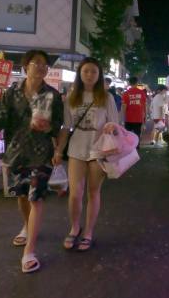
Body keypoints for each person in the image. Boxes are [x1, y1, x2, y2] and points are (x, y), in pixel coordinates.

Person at [0, 50, 64, 273]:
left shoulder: (52, 95)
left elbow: (59, 125)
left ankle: (30, 250)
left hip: (41, 152)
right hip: (16, 151)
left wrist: (57, 148)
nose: (41, 67)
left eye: (45, 64)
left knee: (36, 197)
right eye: (37, 63)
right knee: (22, 194)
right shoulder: (12, 92)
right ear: (26, 67)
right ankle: (27, 226)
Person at [54, 57, 118, 251]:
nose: (89, 75)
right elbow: (66, 127)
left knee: (93, 191)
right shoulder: (73, 97)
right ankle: (74, 227)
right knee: (75, 193)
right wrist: (58, 149)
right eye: (86, 71)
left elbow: (115, 125)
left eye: (94, 72)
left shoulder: (106, 97)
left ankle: (88, 231)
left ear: (99, 76)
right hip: (76, 148)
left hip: (99, 149)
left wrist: (110, 128)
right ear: (80, 74)